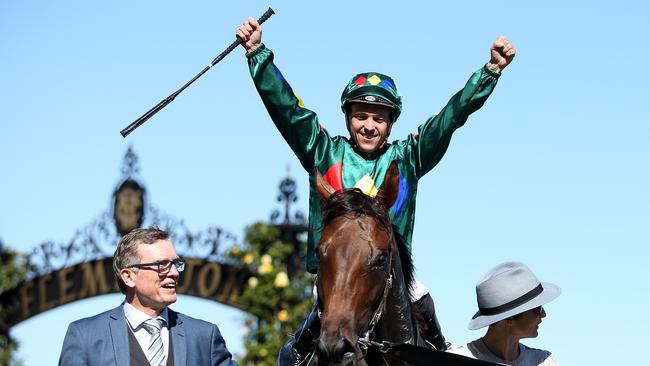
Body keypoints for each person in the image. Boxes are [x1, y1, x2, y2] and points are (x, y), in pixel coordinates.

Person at [236, 17, 515, 360]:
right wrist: (257, 54)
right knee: (291, 355)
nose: (368, 126)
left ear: (391, 122)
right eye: (361, 116)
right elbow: (286, 110)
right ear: (348, 117)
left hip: (396, 278)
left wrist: (489, 72)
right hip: (336, 282)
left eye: (378, 118)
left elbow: (450, 117)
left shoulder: (408, 157)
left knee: (436, 335)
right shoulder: (323, 150)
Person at [58, 227, 237, 366]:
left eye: (176, 263)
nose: (174, 272)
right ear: (129, 276)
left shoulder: (204, 336)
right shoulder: (85, 335)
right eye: (162, 265)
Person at [447, 261, 561, 365]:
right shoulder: (455, 360)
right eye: (537, 308)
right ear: (509, 318)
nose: (543, 314)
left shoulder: (544, 362)